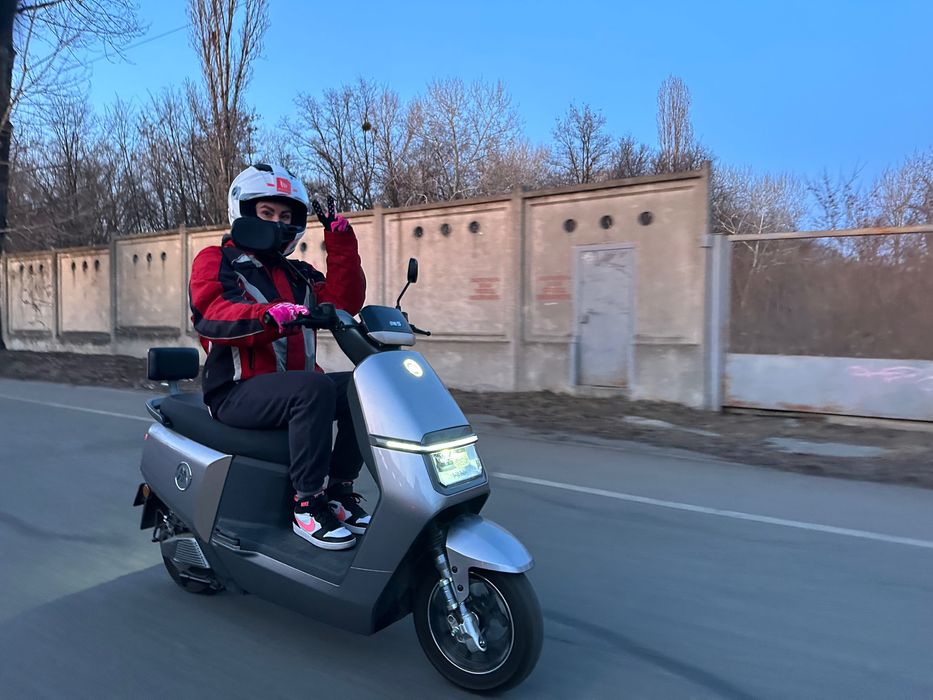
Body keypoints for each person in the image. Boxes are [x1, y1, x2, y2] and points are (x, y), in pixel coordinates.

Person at [188, 163, 368, 551]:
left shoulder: (298, 273)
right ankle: (307, 505)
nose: (277, 222)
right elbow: (211, 313)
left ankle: (339, 491)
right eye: (267, 212)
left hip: (293, 389)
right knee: (314, 388)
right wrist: (267, 315)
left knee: (364, 388)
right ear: (244, 211)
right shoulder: (217, 260)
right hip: (236, 392)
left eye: (286, 216)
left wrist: (341, 241)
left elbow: (345, 301)